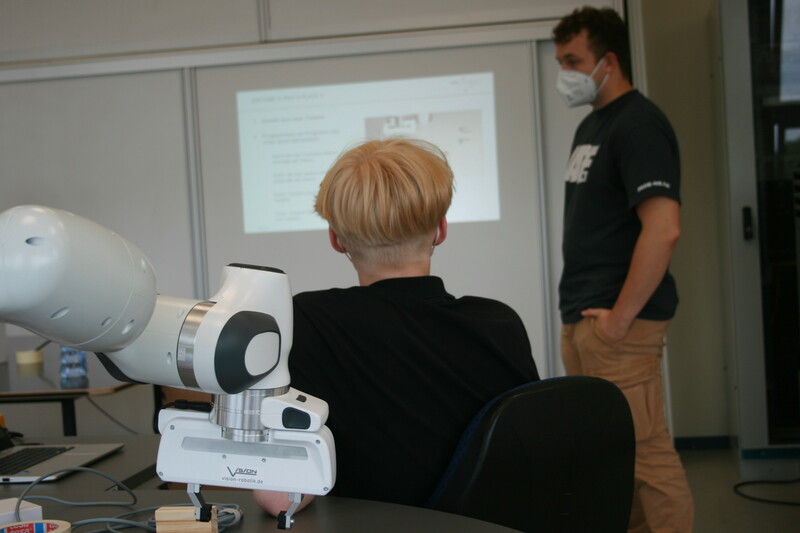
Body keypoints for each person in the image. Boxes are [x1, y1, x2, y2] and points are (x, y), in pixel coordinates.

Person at [254, 138, 539, 515]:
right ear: (440, 230)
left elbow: (279, 500)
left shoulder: (304, 322)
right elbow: (532, 466)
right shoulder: (501, 325)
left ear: (336, 240)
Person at [553, 7, 693, 533]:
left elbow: (664, 229)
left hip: (621, 327)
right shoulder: (593, 124)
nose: (564, 73)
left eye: (573, 60)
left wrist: (619, 319)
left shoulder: (640, 125)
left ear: (608, 61)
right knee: (617, 461)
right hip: (587, 322)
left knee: (650, 458)